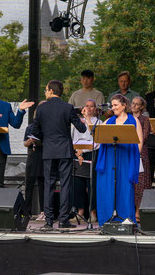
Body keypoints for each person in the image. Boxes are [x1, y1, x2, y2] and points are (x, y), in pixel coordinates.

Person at [33, 80, 86, 229]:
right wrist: (82, 118)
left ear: (50, 91)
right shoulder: (68, 107)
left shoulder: (42, 109)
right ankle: (63, 219)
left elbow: (35, 131)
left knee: (48, 185)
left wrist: (47, 139)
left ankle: (49, 221)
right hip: (64, 150)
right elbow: (81, 129)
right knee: (65, 184)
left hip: (49, 150)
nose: (45, 92)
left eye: (45, 90)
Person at [96, 94, 142, 225]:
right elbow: (98, 136)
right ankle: (107, 218)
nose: (113, 107)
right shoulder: (109, 121)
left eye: (116, 105)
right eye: (112, 105)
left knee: (125, 187)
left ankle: (126, 219)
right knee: (108, 187)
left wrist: (133, 159)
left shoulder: (133, 120)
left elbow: (139, 143)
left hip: (126, 158)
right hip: (110, 159)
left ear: (124, 105)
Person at [72, 99, 101, 222]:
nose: (88, 108)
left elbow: (98, 141)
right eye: (86, 106)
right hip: (77, 154)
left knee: (91, 185)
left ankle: (93, 212)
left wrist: (83, 151)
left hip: (91, 154)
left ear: (95, 109)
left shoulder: (99, 122)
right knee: (77, 184)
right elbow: (72, 138)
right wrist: (77, 154)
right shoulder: (76, 122)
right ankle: (80, 212)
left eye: (91, 106)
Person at [130, 96, 152, 221]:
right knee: (130, 182)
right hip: (127, 151)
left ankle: (138, 211)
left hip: (140, 152)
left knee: (140, 182)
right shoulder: (127, 118)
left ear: (141, 107)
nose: (134, 106)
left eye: (137, 104)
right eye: (132, 103)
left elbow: (143, 136)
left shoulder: (144, 119)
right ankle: (129, 210)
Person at [23, 120, 45, 221]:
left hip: (43, 157)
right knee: (29, 185)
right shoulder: (30, 127)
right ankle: (26, 212)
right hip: (31, 157)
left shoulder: (47, 126)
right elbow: (25, 143)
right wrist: (30, 141)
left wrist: (38, 141)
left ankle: (44, 212)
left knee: (42, 185)